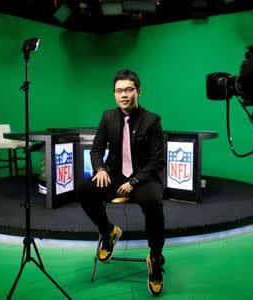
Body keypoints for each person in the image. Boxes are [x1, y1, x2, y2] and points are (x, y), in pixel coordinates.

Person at [80, 69, 166, 296]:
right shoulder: (108, 117)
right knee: (84, 189)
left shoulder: (152, 120)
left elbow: (158, 161)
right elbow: (97, 149)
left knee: (153, 202)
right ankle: (108, 231)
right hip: (115, 175)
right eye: (119, 91)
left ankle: (155, 258)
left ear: (138, 91)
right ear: (114, 94)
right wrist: (100, 169)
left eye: (128, 90)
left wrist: (134, 182)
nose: (124, 95)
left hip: (144, 177)